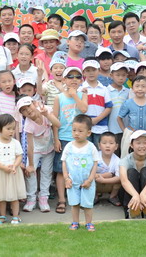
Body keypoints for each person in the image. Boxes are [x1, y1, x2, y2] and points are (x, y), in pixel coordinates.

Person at [52, 66, 88, 214]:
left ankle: (79, 198)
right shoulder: (59, 98)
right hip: (64, 138)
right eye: (70, 77)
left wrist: (75, 95)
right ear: (64, 80)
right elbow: (55, 120)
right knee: (61, 171)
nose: (74, 80)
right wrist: (56, 139)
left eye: (78, 77)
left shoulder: (83, 94)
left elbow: (84, 109)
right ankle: (62, 199)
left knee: (80, 168)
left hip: (80, 139)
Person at [20, 96, 60, 212]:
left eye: (28, 106)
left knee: (46, 172)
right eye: (23, 110)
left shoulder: (45, 109)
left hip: (49, 148)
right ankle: (31, 199)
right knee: (30, 172)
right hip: (35, 150)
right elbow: (30, 146)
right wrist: (31, 165)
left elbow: (57, 124)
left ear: (34, 103)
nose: (28, 110)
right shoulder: (28, 124)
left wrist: (47, 115)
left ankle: (43, 198)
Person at [61, 114, 100, 231]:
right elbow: (64, 163)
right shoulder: (69, 146)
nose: (76, 133)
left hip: (87, 181)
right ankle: (75, 222)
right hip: (73, 181)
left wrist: (90, 180)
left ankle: (89, 223)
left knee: (88, 204)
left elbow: (95, 164)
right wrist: (66, 178)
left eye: (80, 131)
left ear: (88, 133)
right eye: (74, 130)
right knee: (74, 203)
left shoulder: (91, 147)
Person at [0, 114, 26, 224]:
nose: (11, 131)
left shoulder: (15, 143)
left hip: (13, 173)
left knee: (14, 196)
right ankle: (2, 216)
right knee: (1, 196)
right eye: (8, 129)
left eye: (13, 128)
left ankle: (15, 216)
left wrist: (14, 165)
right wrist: (3, 167)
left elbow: (19, 156)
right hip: (0, 173)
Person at [118, 130, 146, 219]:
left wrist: (143, 194)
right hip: (131, 194)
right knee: (131, 172)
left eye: (145, 143)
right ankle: (132, 211)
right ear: (131, 145)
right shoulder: (125, 160)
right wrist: (135, 195)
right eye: (138, 143)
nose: (142, 146)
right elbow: (124, 181)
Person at [117, 76, 146, 155]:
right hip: (131, 134)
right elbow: (119, 118)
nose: (140, 89)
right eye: (137, 86)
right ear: (132, 88)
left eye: (143, 86)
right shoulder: (128, 103)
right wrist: (125, 131)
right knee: (127, 156)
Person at [81, 60, 112, 145]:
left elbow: (109, 107)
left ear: (99, 71)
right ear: (83, 73)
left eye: (94, 70)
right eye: (88, 70)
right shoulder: (81, 89)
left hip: (101, 126)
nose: (91, 73)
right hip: (84, 127)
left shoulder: (104, 89)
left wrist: (96, 119)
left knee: (100, 149)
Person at [107, 62, 131, 153]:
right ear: (111, 75)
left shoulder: (128, 91)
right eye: (117, 75)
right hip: (111, 128)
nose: (121, 78)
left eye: (123, 75)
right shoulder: (106, 90)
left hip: (125, 128)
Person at [95, 132, 121, 206]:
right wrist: (104, 176)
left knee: (121, 180)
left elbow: (119, 177)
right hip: (96, 182)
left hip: (110, 184)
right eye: (104, 143)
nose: (107, 146)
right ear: (99, 145)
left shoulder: (118, 160)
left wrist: (104, 180)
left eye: (111, 143)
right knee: (88, 179)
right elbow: (88, 173)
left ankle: (112, 196)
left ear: (116, 146)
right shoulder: (95, 157)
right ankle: (94, 196)